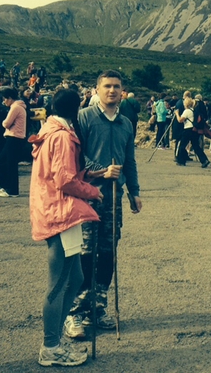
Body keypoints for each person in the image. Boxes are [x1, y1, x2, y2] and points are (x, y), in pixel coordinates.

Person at [65, 70, 142, 339]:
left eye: (117, 86)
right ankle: (76, 312)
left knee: (108, 251)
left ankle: (99, 308)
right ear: (96, 90)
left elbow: (129, 161)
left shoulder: (126, 124)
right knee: (85, 253)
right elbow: (76, 158)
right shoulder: (83, 118)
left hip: (113, 197)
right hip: (87, 195)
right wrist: (100, 171)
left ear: (122, 91)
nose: (112, 90)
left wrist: (134, 191)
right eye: (107, 86)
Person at [29, 88, 103, 367]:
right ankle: (50, 347)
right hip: (60, 213)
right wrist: (92, 192)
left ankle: (56, 341)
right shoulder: (62, 136)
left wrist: (91, 175)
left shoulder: (51, 130)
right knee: (59, 283)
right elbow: (64, 180)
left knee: (76, 277)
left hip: (57, 211)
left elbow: (63, 174)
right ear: (79, 106)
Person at [0, 88, 27, 198]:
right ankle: (8, 187)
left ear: (10, 98)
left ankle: (11, 190)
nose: (4, 101)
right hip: (16, 137)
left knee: (6, 163)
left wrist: (4, 122)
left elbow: (6, 123)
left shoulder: (15, 107)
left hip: (14, 137)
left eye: (4, 99)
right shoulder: (20, 107)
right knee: (7, 163)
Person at [176, 97, 210, 168]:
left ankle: (181, 161)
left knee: (182, 145)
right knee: (196, 146)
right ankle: (204, 160)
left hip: (188, 129)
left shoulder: (187, 111)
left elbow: (180, 120)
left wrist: (177, 114)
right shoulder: (194, 110)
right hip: (194, 130)